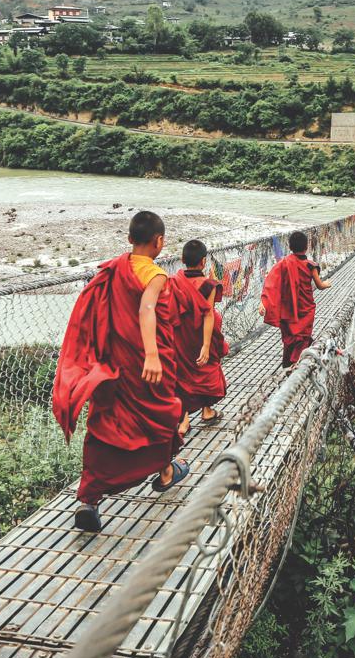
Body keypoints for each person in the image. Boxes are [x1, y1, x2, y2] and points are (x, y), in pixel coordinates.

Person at [51, 210, 190, 532]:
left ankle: (90, 500)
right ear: (160, 242)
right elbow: (147, 309)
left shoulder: (115, 270)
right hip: (146, 365)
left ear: (129, 240)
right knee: (162, 414)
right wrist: (152, 355)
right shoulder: (155, 275)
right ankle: (165, 472)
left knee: (106, 426)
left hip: (115, 365)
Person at [168, 239, 228, 432]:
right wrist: (206, 345)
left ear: (182, 259)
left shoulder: (174, 282)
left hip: (180, 337)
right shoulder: (209, 285)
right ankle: (207, 410)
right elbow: (208, 314)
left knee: (182, 375)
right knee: (208, 369)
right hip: (201, 335)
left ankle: (184, 420)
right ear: (204, 261)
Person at [261, 230, 330, 367]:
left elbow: (271, 282)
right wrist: (327, 284)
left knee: (290, 338)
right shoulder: (311, 265)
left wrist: (264, 302)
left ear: (290, 247)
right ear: (307, 246)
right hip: (306, 308)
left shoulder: (284, 263)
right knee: (302, 337)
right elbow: (319, 285)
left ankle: (288, 362)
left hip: (289, 310)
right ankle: (296, 362)